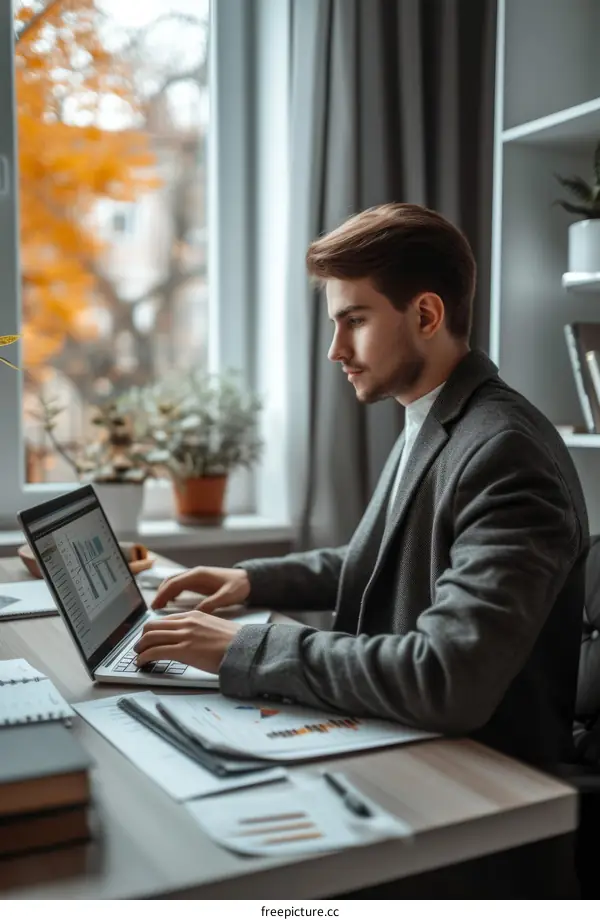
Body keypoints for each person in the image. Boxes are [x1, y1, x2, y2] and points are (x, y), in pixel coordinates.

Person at [135, 202, 588, 771]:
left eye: (355, 320)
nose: (336, 350)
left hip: (481, 775)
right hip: (404, 740)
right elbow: (389, 558)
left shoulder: (506, 453)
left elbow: (447, 676)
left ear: (426, 315)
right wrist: (252, 579)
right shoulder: (436, 416)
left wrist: (243, 648)